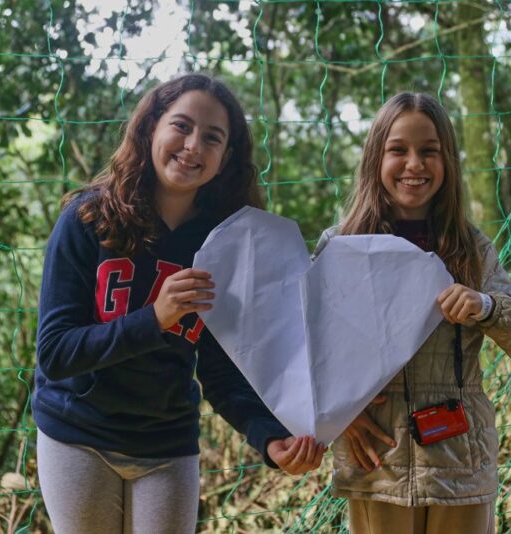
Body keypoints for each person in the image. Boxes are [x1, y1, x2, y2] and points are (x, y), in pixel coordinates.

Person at [32, 73, 325, 534]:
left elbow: (222, 368)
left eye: (212, 137)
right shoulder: (87, 219)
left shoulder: (226, 244)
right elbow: (56, 353)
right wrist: (155, 318)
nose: (193, 145)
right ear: (152, 127)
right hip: (79, 435)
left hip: (167, 443)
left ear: (225, 158)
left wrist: (268, 437)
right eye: (182, 126)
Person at [312, 93, 511, 534]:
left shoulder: (471, 249)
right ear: (375, 158)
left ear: (448, 161)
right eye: (398, 150)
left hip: (460, 472)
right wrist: (339, 413)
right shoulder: (339, 247)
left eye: (430, 150)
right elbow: (306, 358)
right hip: (377, 471)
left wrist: (486, 308)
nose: (414, 164)